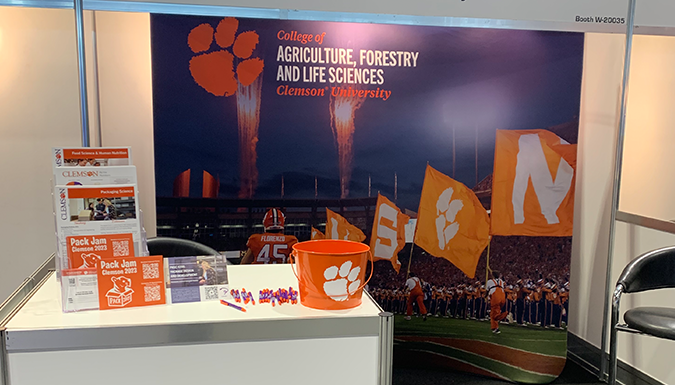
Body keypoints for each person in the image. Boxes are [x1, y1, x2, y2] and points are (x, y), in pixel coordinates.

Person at [486, 270, 509, 334]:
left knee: (493, 314)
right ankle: (501, 315)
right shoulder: (501, 281)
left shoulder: (489, 281)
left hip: (495, 296)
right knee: (497, 311)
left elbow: (487, 290)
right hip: (502, 296)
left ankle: (495, 328)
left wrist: (485, 296)